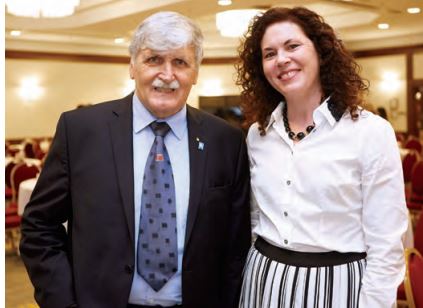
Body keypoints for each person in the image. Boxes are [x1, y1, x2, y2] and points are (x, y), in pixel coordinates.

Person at [20, 11, 251, 308]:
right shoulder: (80, 131)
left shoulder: (226, 141)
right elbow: (39, 226)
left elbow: (235, 246)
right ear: (132, 65)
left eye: (180, 62)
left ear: (195, 72)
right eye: (153, 59)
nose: (167, 75)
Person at [236, 7, 407, 308]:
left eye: (292, 46)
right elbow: (255, 219)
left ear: (321, 51)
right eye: (269, 53)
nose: (282, 59)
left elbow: (386, 245)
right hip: (263, 281)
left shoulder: (370, 132)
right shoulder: (257, 135)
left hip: (339, 287)